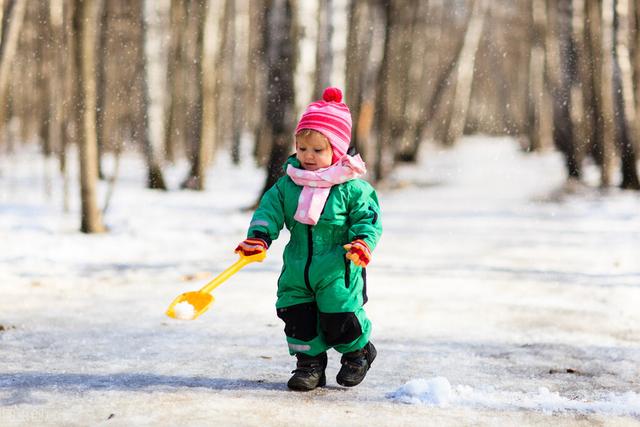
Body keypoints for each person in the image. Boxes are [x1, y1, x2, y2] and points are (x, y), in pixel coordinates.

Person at [235, 87, 382, 391]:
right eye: (302, 149)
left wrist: (362, 243)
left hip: (337, 266)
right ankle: (309, 365)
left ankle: (358, 352)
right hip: (298, 265)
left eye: (318, 150)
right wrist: (259, 236)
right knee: (296, 314)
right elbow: (269, 210)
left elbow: (368, 218)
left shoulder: (351, 188)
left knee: (338, 316)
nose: (308, 157)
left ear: (337, 151)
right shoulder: (289, 185)